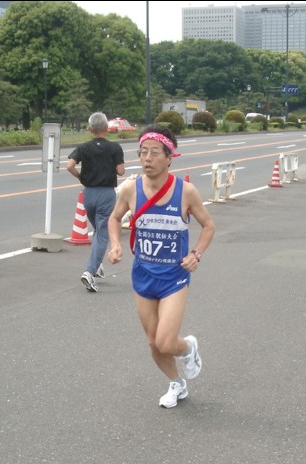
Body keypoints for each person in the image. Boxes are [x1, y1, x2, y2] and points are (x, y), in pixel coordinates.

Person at [107, 124, 215, 409]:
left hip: (173, 277)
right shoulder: (131, 188)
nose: (147, 159)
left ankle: (188, 347)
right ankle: (176, 384)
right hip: (143, 275)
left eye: (155, 152)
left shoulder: (185, 192)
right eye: (143, 152)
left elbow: (208, 226)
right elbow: (114, 218)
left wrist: (197, 254)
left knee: (167, 342)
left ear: (170, 157)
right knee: (153, 343)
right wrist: (115, 244)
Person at [67, 112, 125, 292]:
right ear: (107, 129)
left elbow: (69, 165)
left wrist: (81, 177)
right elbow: (121, 171)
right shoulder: (115, 148)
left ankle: (97, 264)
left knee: (98, 232)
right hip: (106, 194)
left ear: (90, 129)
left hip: (88, 194)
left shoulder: (83, 147)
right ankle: (89, 272)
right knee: (102, 233)